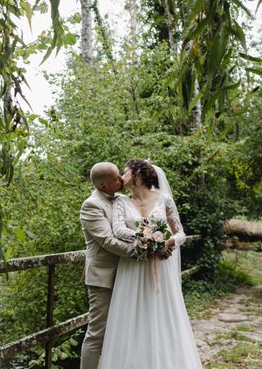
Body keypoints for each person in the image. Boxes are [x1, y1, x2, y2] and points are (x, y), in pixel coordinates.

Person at [99, 158, 203, 368]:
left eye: (125, 172)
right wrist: (145, 238)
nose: (121, 177)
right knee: (132, 317)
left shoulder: (164, 199)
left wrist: (168, 241)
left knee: (162, 315)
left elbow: (180, 232)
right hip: (133, 267)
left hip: (161, 267)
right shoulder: (120, 201)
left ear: (137, 175)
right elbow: (118, 230)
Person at [79, 162, 137, 369]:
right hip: (103, 277)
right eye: (116, 178)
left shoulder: (121, 199)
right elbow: (108, 241)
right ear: (103, 186)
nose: (122, 180)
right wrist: (144, 252)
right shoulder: (91, 205)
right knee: (97, 334)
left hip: (127, 274)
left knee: (123, 329)